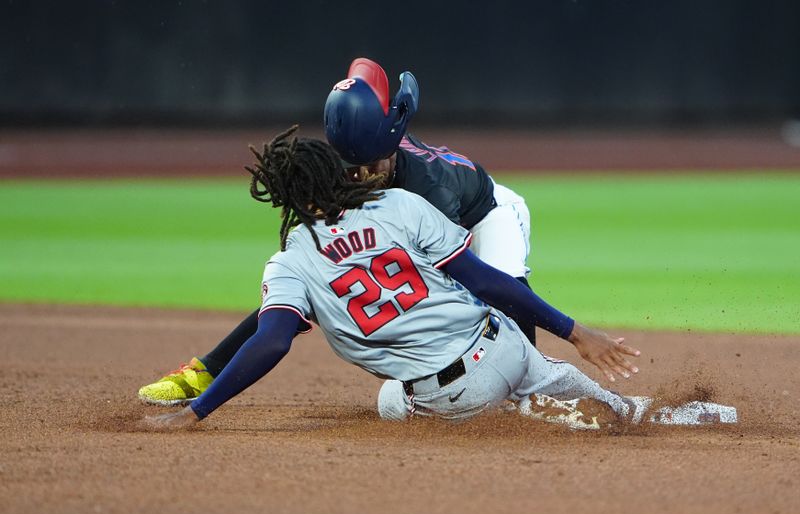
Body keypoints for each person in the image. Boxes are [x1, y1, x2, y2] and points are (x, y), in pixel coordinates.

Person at [138, 58, 619, 406]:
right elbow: (302, 287)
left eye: (373, 165)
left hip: (485, 213)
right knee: (321, 280)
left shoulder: (426, 193)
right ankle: (205, 371)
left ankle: (529, 395)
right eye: (354, 167)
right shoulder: (361, 161)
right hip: (425, 227)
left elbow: (486, 282)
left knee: (504, 285)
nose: (362, 175)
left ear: (391, 144)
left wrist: (575, 332)